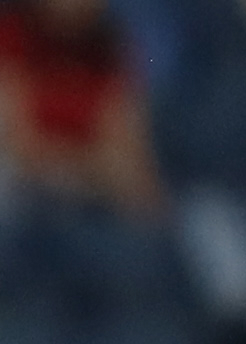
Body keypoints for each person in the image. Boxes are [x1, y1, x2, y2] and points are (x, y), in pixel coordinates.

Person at [0, 0, 155, 215]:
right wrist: (96, 167)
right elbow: (18, 148)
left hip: (89, 211)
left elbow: (135, 171)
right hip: (26, 205)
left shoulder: (110, 51)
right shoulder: (9, 34)